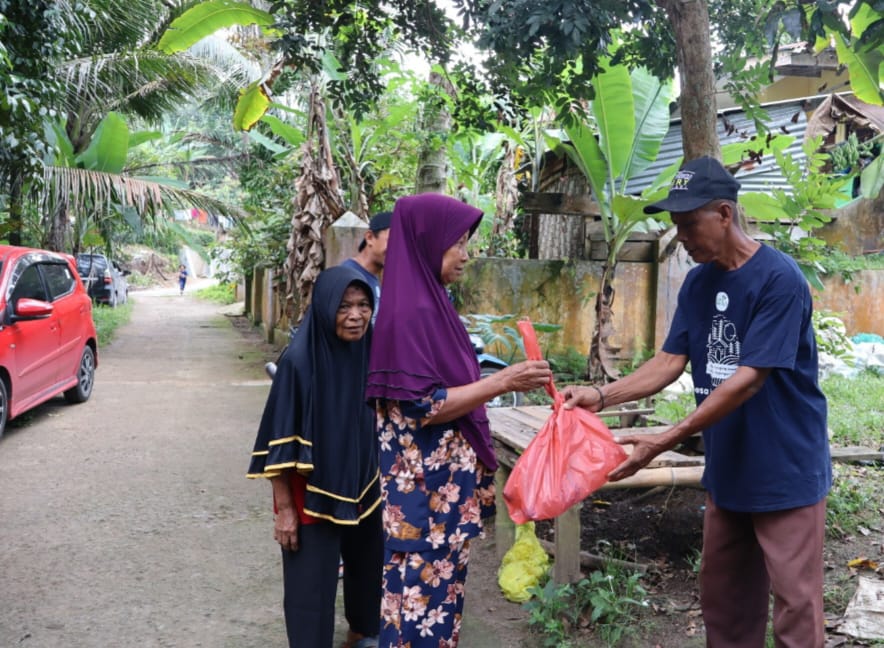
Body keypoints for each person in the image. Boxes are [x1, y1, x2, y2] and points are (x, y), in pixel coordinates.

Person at [562, 156, 831, 648]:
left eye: (689, 224)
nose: (681, 236)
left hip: (785, 467)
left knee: (795, 606)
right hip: (729, 467)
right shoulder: (700, 282)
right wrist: (600, 396)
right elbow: (669, 362)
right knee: (725, 604)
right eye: (675, 225)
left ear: (725, 214)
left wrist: (664, 439)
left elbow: (749, 378)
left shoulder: (779, 280)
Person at [364, 193, 552, 647]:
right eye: (458, 243)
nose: (466, 255)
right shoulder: (411, 314)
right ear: (428, 243)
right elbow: (424, 406)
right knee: (418, 612)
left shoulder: (433, 304)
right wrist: (504, 380)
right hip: (423, 498)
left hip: (442, 494)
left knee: (437, 608)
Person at [247, 265, 383, 648]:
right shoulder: (299, 363)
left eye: (363, 305)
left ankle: (361, 634)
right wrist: (286, 509)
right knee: (311, 593)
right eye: (343, 307)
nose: (356, 316)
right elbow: (277, 444)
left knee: (369, 573)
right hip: (311, 498)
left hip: (365, 487)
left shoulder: (371, 351)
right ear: (324, 308)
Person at [341, 211, 392, 323]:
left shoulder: (373, 278)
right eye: (393, 241)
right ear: (369, 237)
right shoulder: (348, 276)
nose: (398, 249)